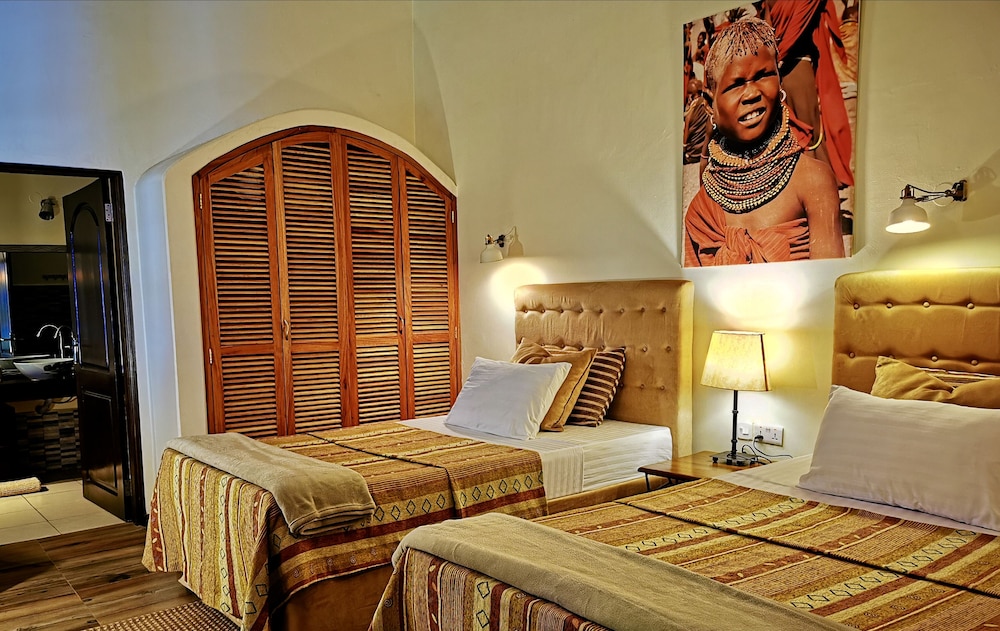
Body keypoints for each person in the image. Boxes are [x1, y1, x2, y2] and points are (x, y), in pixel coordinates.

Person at [684, 16, 843, 266]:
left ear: (780, 80)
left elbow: (830, 283)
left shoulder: (813, 180)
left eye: (763, 75)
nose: (752, 93)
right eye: (736, 85)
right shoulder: (701, 211)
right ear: (709, 103)